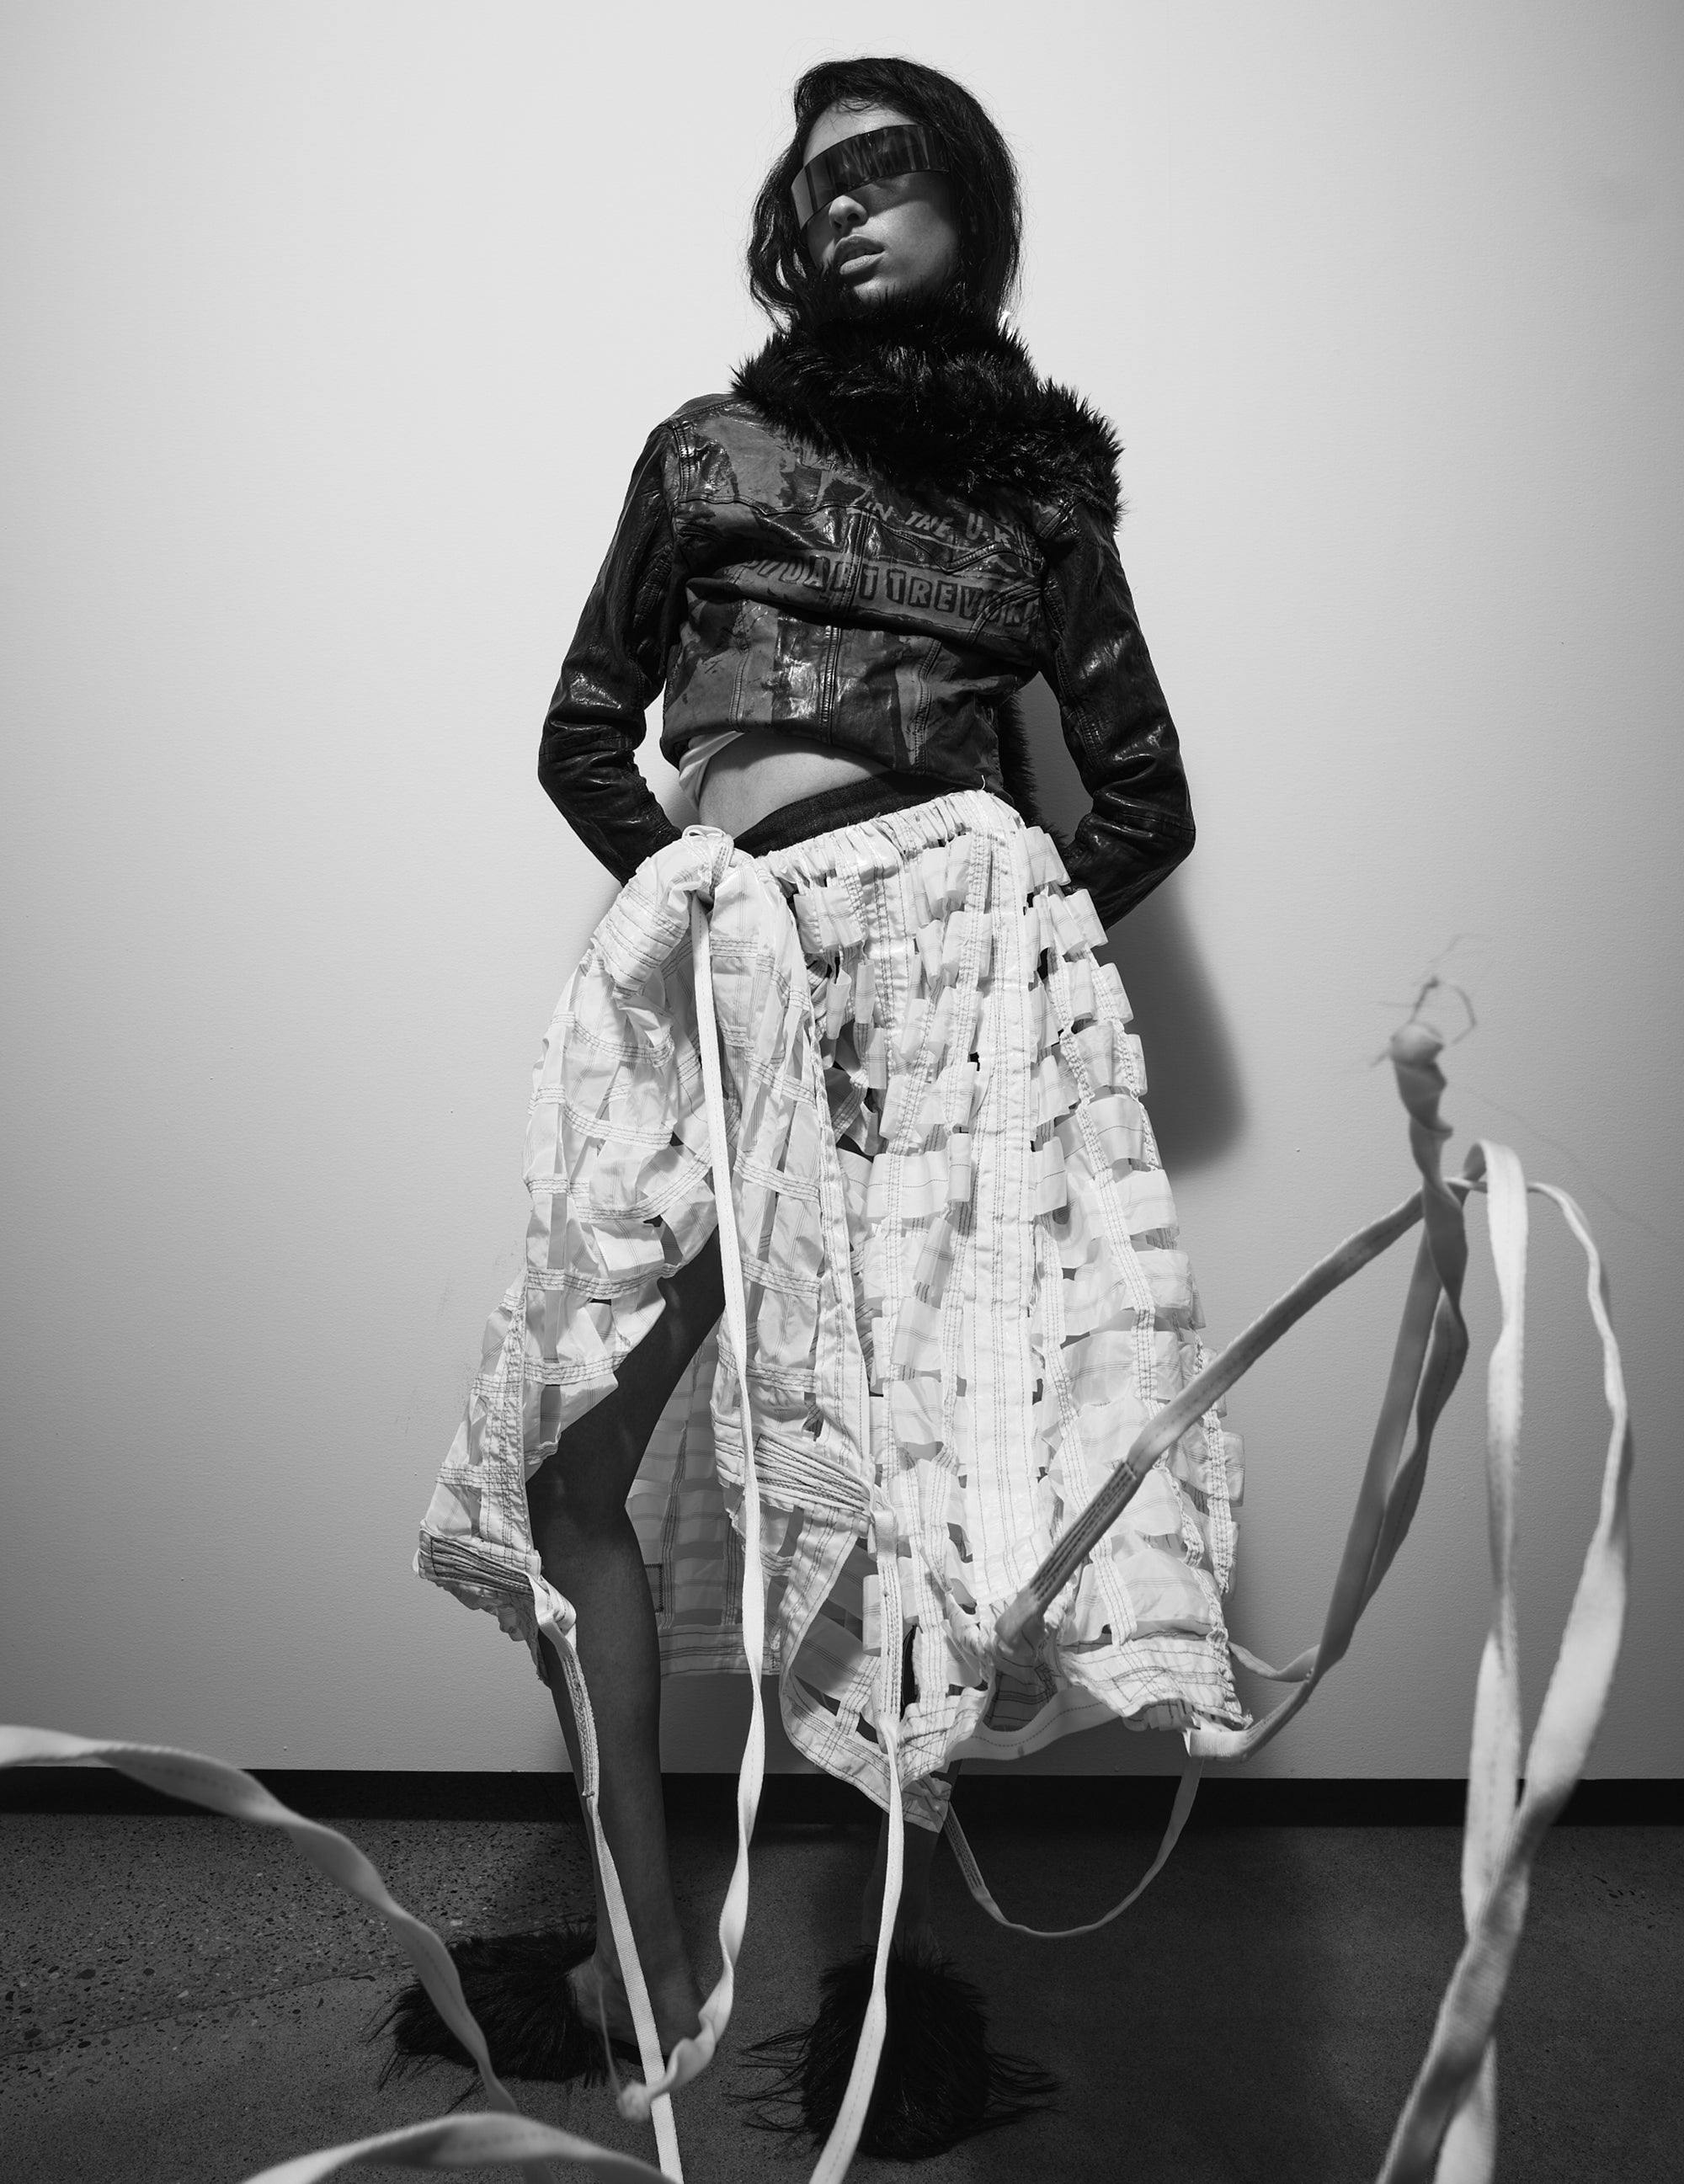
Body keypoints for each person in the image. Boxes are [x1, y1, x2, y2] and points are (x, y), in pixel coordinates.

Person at [389, 54, 1244, 2161]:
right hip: (732, 960)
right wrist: (700, 908)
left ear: (971, 204)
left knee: (907, 1491)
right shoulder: (708, 451)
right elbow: (586, 727)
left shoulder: (1041, 500)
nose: (837, 208)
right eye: (811, 189)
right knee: (571, 1448)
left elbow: (1141, 797)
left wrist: (996, 956)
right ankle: (632, 1942)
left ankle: (879, 1987)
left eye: (881, 170)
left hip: (940, 987)